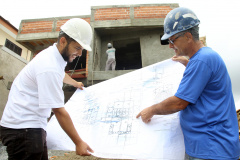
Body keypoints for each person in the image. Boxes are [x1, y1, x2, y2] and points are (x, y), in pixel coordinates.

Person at [136, 7, 240, 160]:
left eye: (172, 40)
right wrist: (189, 64)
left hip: (212, 150)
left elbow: (178, 103)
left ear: (188, 36)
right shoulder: (203, 58)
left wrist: (151, 110)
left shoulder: (201, 61)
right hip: (211, 148)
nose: (171, 45)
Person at [0, 18, 94, 159]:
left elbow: (60, 74)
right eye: (77, 48)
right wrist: (78, 142)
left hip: (27, 127)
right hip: (23, 130)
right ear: (63, 41)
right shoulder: (48, 66)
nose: (80, 54)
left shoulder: (54, 55)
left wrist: (75, 83)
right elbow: (59, 111)